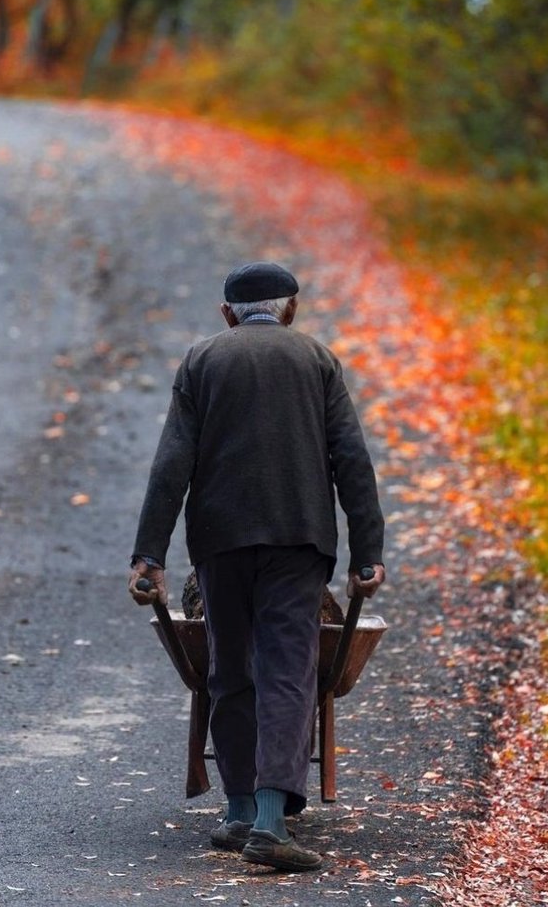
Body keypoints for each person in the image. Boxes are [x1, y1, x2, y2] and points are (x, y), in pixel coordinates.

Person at [128, 261, 385, 873]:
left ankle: (240, 808)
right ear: (290, 308)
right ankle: (269, 823)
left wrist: (150, 555)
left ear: (227, 315)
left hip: (220, 538)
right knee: (287, 669)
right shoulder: (317, 360)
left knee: (229, 665)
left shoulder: (202, 361)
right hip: (299, 541)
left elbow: (172, 463)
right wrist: (366, 555)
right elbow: (351, 458)